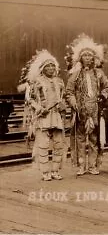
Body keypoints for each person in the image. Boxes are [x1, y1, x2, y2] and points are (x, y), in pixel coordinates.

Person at [65, 34, 108, 176]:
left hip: (95, 110)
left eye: (90, 56)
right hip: (80, 111)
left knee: (93, 138)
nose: (88, 59)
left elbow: (107, 88)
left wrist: (102, 97)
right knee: (80, 138)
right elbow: (69, 91)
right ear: (81, 58)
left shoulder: (99, 74)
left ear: (94, 59)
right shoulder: (75, 74)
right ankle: (81, 166)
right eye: (85, 56)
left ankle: (92, 165)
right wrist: (74, 103)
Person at [18, 50, 67, 181]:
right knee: (43, 145)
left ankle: (55, 170)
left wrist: (63, 105)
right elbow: (30, 100)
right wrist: (39, 108)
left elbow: (62, 98)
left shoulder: (60, 82)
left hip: (56, 116)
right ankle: (45, 172)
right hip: (43, 117)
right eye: (47, 66)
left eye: (52, 66)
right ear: (42, 69)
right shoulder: (37, 83)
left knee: (58, 144)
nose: (50, 68)